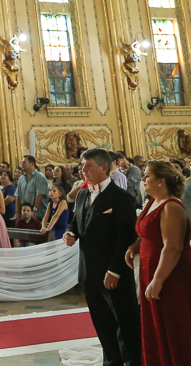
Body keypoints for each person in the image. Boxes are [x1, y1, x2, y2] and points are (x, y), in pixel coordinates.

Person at [63, 148, 140, 366]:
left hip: (113, 272)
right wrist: (70, 233)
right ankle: (112, 362)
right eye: (81, 165)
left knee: (124, 322)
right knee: (102, 323)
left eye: (87, 165)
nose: (82, 170)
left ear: (104, 167)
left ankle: (132, 362)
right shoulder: (82, 194)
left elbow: (125, 237)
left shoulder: (122, 197)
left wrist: (115, 270)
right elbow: (77, 221)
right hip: (89, 271)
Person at [125, 160, 191, 366]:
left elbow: (173, 247)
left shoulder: (172, 206)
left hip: (170, 275)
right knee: (154, 324)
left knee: (172, 324)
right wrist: (134, 248)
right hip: (151, 269)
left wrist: (158, 280)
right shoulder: (154, 201)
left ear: (161, 180)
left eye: (148, 176)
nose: (143, 179)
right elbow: (149, 234)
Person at [16, 155, 48, 220]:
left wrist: (35, 210)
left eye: (24, 162)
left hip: (37, 215)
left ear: (32, 164)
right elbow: (18, 196)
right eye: (21, 163)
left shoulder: (40, 177)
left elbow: (39, 195)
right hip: (24, 215)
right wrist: (17, 212)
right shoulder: (21, 178)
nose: (22, 165)